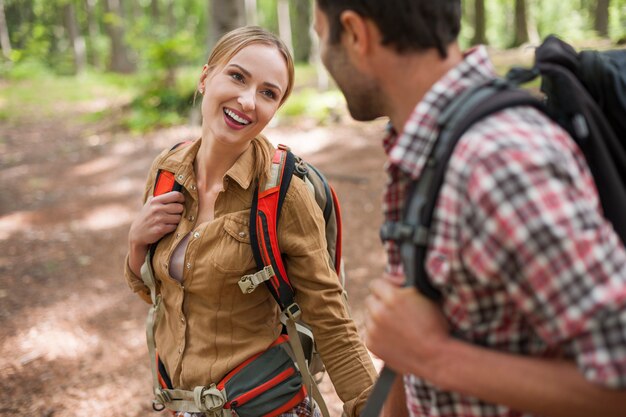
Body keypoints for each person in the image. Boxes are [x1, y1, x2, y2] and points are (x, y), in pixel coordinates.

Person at [313, 1, 626, 416]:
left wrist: (432, 355)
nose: (323, 56)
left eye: (320, 36)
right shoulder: (427, 142)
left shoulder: (498, 161)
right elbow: (415, 327)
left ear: (355, 33)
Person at [124, 26, 378, 417]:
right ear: (206, 76)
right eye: (238, 76)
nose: (247, 101)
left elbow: (332, 321)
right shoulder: (167, 170)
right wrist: (136, 245)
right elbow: (164, 296)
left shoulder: (285, 193)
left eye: (268, 93)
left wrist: (374, 408)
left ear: (276, 109)